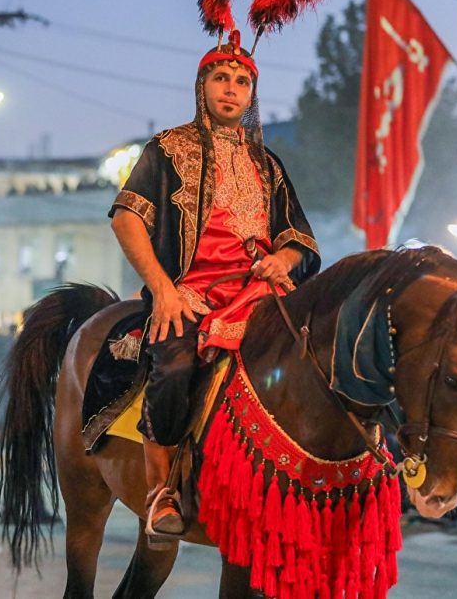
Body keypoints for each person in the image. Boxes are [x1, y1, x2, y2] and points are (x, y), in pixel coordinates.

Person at [109, 34, 319, 535]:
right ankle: (161, 492)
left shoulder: (268, 165)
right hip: (189, 295)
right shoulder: (167, 148)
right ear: (202, 85)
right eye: (221, 78)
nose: (231, 89)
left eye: (242, 82)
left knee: (320, 362)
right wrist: (161, 289)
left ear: (251, 96)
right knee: (175, 364)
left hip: (261, 300)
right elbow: (126, 218)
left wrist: (283, 260)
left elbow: (301, 242)